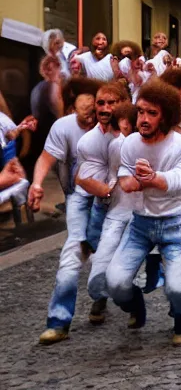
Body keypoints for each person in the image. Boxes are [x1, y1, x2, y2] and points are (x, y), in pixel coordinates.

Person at [106, 80, 181, 346]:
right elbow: (124, 173)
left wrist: (153, 178)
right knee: (115, 283)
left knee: (178, 289)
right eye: (141, 112)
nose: (143, 119)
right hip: (140, 224)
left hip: (175, 224)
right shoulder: (131, 143)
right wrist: (131, 181)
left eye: (151, 113)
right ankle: (135, 305)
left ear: (166, 116)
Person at [29, 79, 101, 344]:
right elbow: (46, 158)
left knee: (102, 258)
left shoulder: (114, 126)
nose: (91, 115)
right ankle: (59, 321)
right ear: (73, 105)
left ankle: (101, 297)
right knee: (72, 255)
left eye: (96, 109)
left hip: (109, 201)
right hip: (77, 199)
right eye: (85, 109)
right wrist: (37, 184)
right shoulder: (63, 127)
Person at [80, 102, 139, 324]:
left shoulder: (148, 142)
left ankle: (133, 303)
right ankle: (102, 297)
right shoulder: (113, 145)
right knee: (104, 253)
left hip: (139, 211)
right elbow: (112, 177)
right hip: (114, 207)